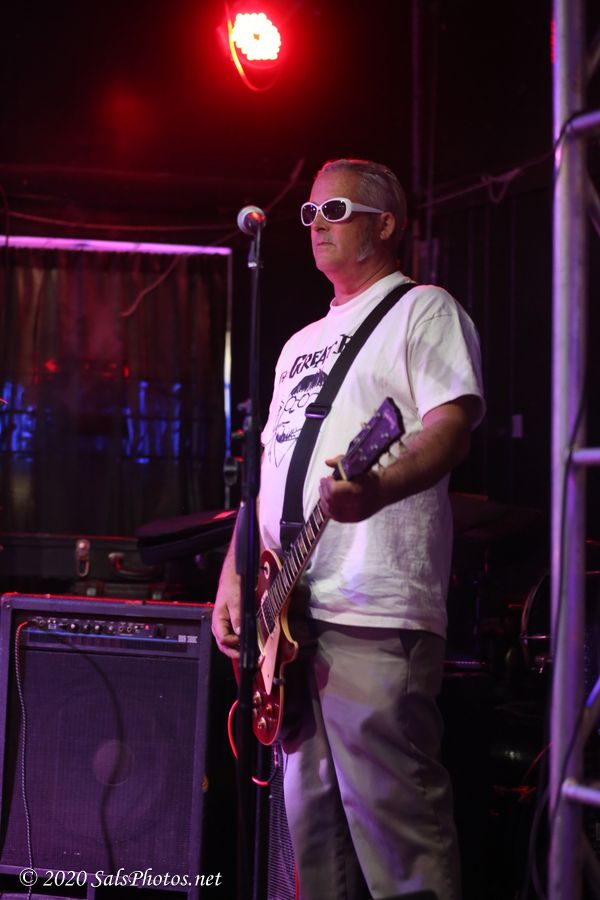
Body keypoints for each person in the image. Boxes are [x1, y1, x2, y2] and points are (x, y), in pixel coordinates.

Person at [212, 158, 485, 900]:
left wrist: (377, 486)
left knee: (399, 838)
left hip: (374, 606)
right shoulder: (298, 343)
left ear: (386, 223)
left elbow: (449, 428)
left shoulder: (423, 310)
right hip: (290, 615)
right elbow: (268, 472)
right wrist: (235, 575)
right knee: (315, 846)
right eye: (309, 214)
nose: (316, 226)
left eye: (334, 211)